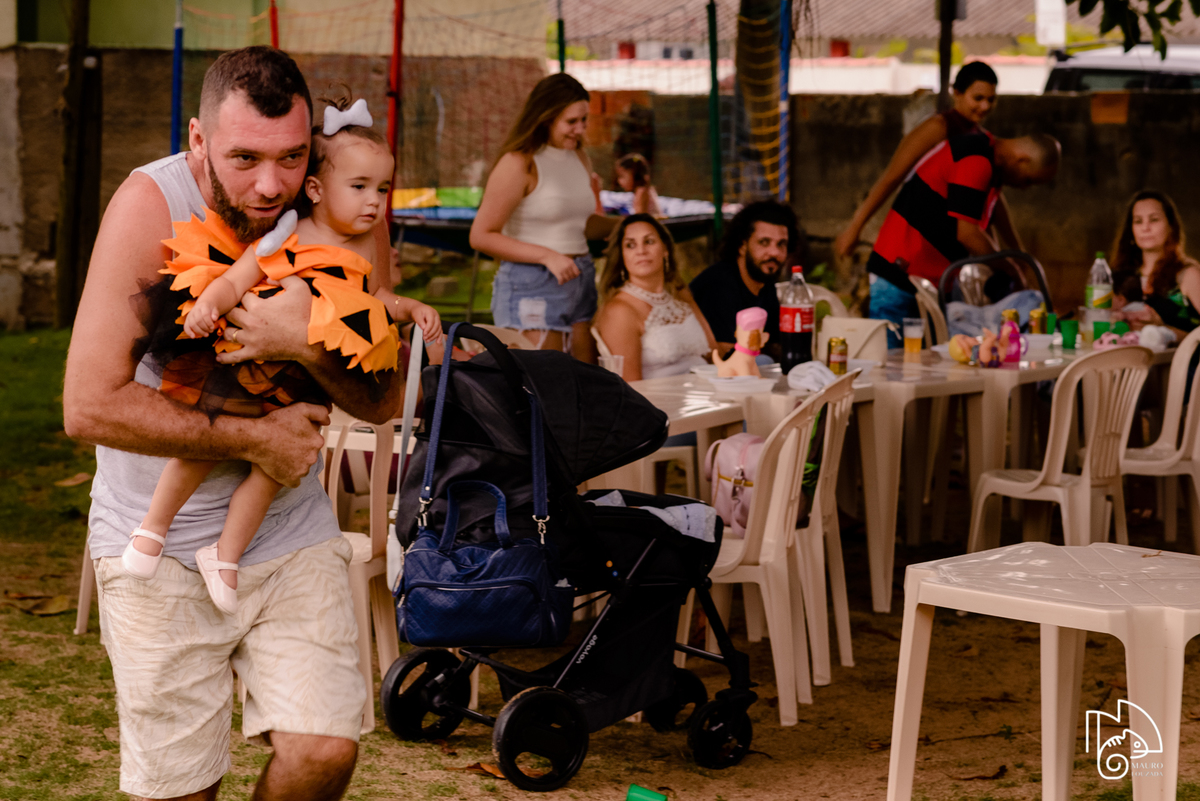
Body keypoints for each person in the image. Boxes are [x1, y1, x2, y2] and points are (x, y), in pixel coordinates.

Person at [62, 47, 400, 801]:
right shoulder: (150, 204)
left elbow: (383, 398)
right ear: (199, 139)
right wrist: (255, 438)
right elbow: (87, 404)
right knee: (185, 789)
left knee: (323, 754)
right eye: (244, 158)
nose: (271, 185)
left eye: (291, 158)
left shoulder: (342, 207)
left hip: (287, 530)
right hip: (159, 544)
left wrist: (301, 342)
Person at [124, 94, 441, 617]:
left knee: (274, 470)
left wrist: (413, 308)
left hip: (305, 382)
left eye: (382, 189)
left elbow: (378, 298)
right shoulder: (291, 236)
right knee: (207, 441)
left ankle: (225, 556)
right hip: (252, 365)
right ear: (315, 189)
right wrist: (207, 305)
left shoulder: (365, 244)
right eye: (359, 187)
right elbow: (239, 276)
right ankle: (152, 528)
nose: (374, 203)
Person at [469, 73, 617, 360]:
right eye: (571, 121)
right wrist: (547, 256)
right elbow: (481, 236)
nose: (580, 129)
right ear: (546, 117)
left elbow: (581, 224)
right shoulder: (518, 163)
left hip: (580, 280)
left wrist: (630, 225)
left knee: (585, 380)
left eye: (584, 120)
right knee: (544, 381)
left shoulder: (579, 157)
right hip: (533, 285)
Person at [866, 132, 1061, 345]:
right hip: (899, 274)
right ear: (1022, 160)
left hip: (933, 279)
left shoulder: (992, 163)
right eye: (1028, 180)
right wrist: (1009, 267)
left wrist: (1016, 253)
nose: (1024, 188)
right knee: (891, 359)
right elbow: (968, 234)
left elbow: (994, 211)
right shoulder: (975, 159)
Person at [835, 61, 1024, 259]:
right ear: (957, 93)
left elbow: (991, 200)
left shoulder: (982, 140)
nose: (985, 106)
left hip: (947, 246)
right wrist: (855, 228)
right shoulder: (938, 128)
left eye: (991, 100)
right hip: (916, 235)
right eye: (978, 98)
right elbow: (892, 177)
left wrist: (1017, 252)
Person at [593, 213, 717, 380]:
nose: (641, 251)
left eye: (649, 241)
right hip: (658, 396)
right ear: (622, 255)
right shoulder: (619, 311)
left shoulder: (680, 294)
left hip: (708, 388)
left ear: (665, 249)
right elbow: (630, 387)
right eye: (630, 245)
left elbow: (714, 355)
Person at [689, 200, 801, 361]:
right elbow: (725, 353)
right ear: (742, 245)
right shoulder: (718, 285)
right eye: (764, 242)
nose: (774, 252)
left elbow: (775, 343)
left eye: (781, 244)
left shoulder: (765, 283)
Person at [1110, 190, 1200, 335]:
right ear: (1131, 230)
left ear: (1171, 226)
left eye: (1154, 220)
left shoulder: (1188, 274)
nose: (1145, 228)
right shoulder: (1119, 276)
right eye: (1138, 221)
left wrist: (1161, 328)